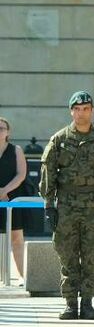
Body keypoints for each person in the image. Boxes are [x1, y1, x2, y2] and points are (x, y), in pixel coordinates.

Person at [40, 91, 94, 320]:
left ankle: (87, 303)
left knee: (90, 255)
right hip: (66, 205)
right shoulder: (59, 139)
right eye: (77, 109)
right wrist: (49, 205)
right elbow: (48, 173)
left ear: (92, 111)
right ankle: (70, 303)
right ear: (71, 111)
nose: (81, 113)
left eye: (85, 109)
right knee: (67, 254)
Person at [0, 116, 34, 280]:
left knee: (16, 238)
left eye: (2, 128)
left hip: (12, 198)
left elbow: (21, 174)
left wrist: (5, 190)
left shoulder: (16, 150)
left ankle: (22, 276)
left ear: (8, 132)